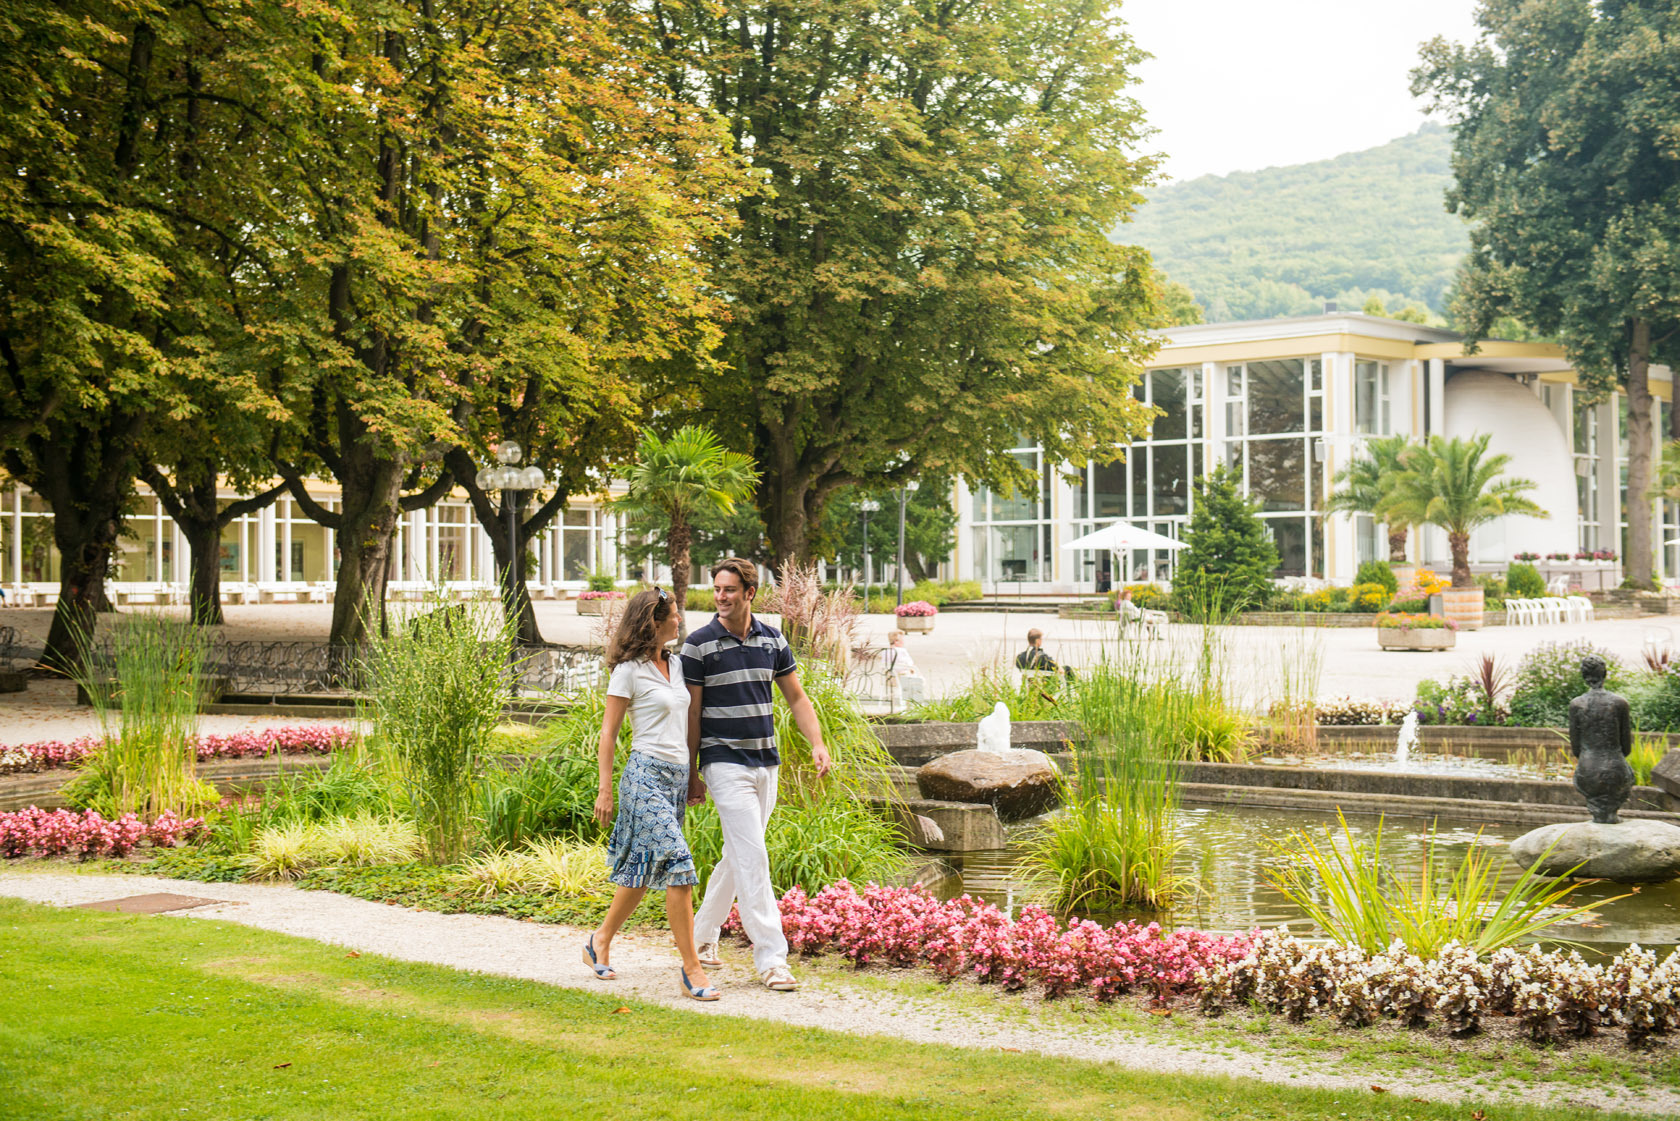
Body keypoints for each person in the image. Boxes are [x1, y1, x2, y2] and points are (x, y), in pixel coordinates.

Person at [683, 557, 830, 992]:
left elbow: (797, 697)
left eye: (729, 590)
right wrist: (693, 771)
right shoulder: (698, 645)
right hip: (723, 761)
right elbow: (692, 713)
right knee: (754, 858)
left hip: (766, 761)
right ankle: (772, 959)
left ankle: (701, 937)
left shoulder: (772, 639)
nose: (721, 597)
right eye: (717, 590)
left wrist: (817, 743)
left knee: (741, 855)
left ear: (749, 593)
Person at [584, 587, 718, 1001]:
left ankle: (599, 940)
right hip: (643, 778)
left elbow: (689, 721)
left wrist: (694, 776)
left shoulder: (678, 667)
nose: (680, 620)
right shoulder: (629, 670)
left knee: (642, 869)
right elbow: (608, 735)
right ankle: (691, 969)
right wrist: (606, 789)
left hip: (676, 779)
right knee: (680, 865)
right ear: (654, 622)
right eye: (675, 615)